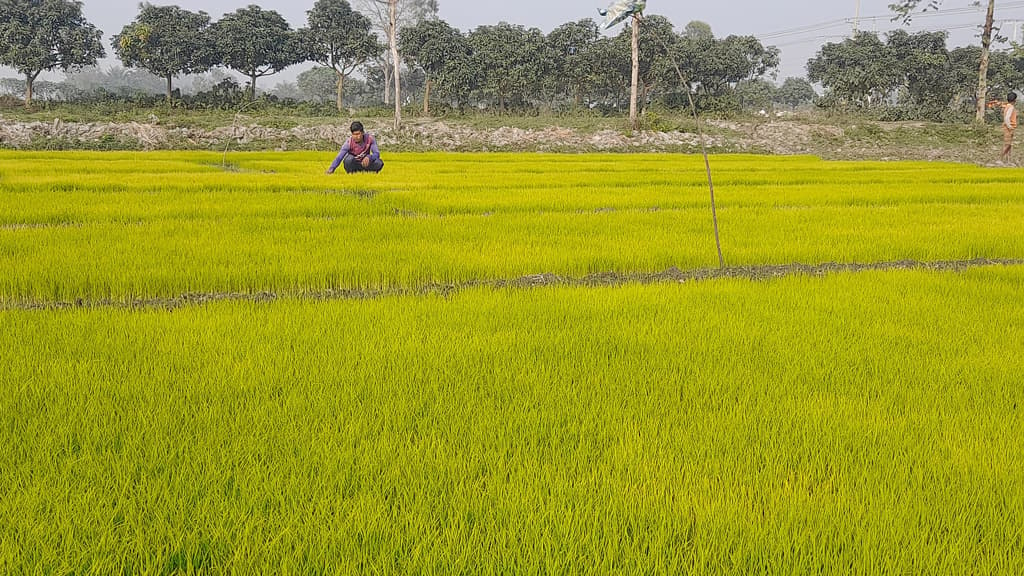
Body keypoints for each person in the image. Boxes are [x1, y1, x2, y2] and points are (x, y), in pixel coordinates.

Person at [987, 92, 1018, 163]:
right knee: (1007, 145)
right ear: (1015, 100)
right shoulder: (1011, 107)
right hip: (1009, 128)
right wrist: (1010, 127)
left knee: (1009, 145)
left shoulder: (1007, 106)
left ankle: (1008, 161)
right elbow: (1007, 118)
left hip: (1008, 127)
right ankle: (1000, 159)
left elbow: (1001, 104)